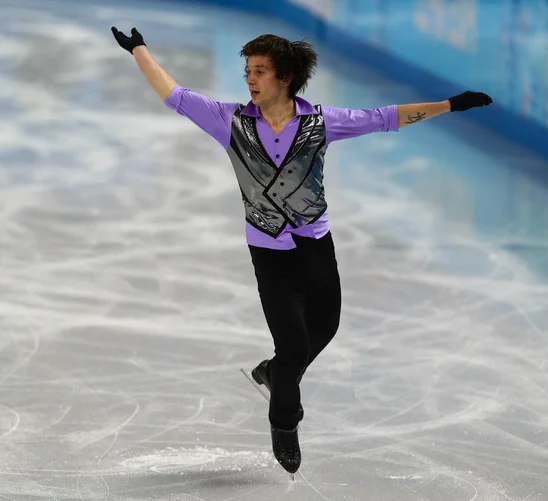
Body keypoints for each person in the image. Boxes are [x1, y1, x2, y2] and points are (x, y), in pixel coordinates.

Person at [111, 27, 493, 475]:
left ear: (285, 78)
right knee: (293, 347)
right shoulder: (229, 121)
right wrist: (139, 50)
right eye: (247, 71)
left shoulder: (320, 123)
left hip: (316, 245)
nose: (250, 80)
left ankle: (274, 374)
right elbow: (173, 93)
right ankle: (284, 422)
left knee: (325, 326)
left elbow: (384, 117)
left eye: (260, 71)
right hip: (268, 252)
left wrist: (449, 105)